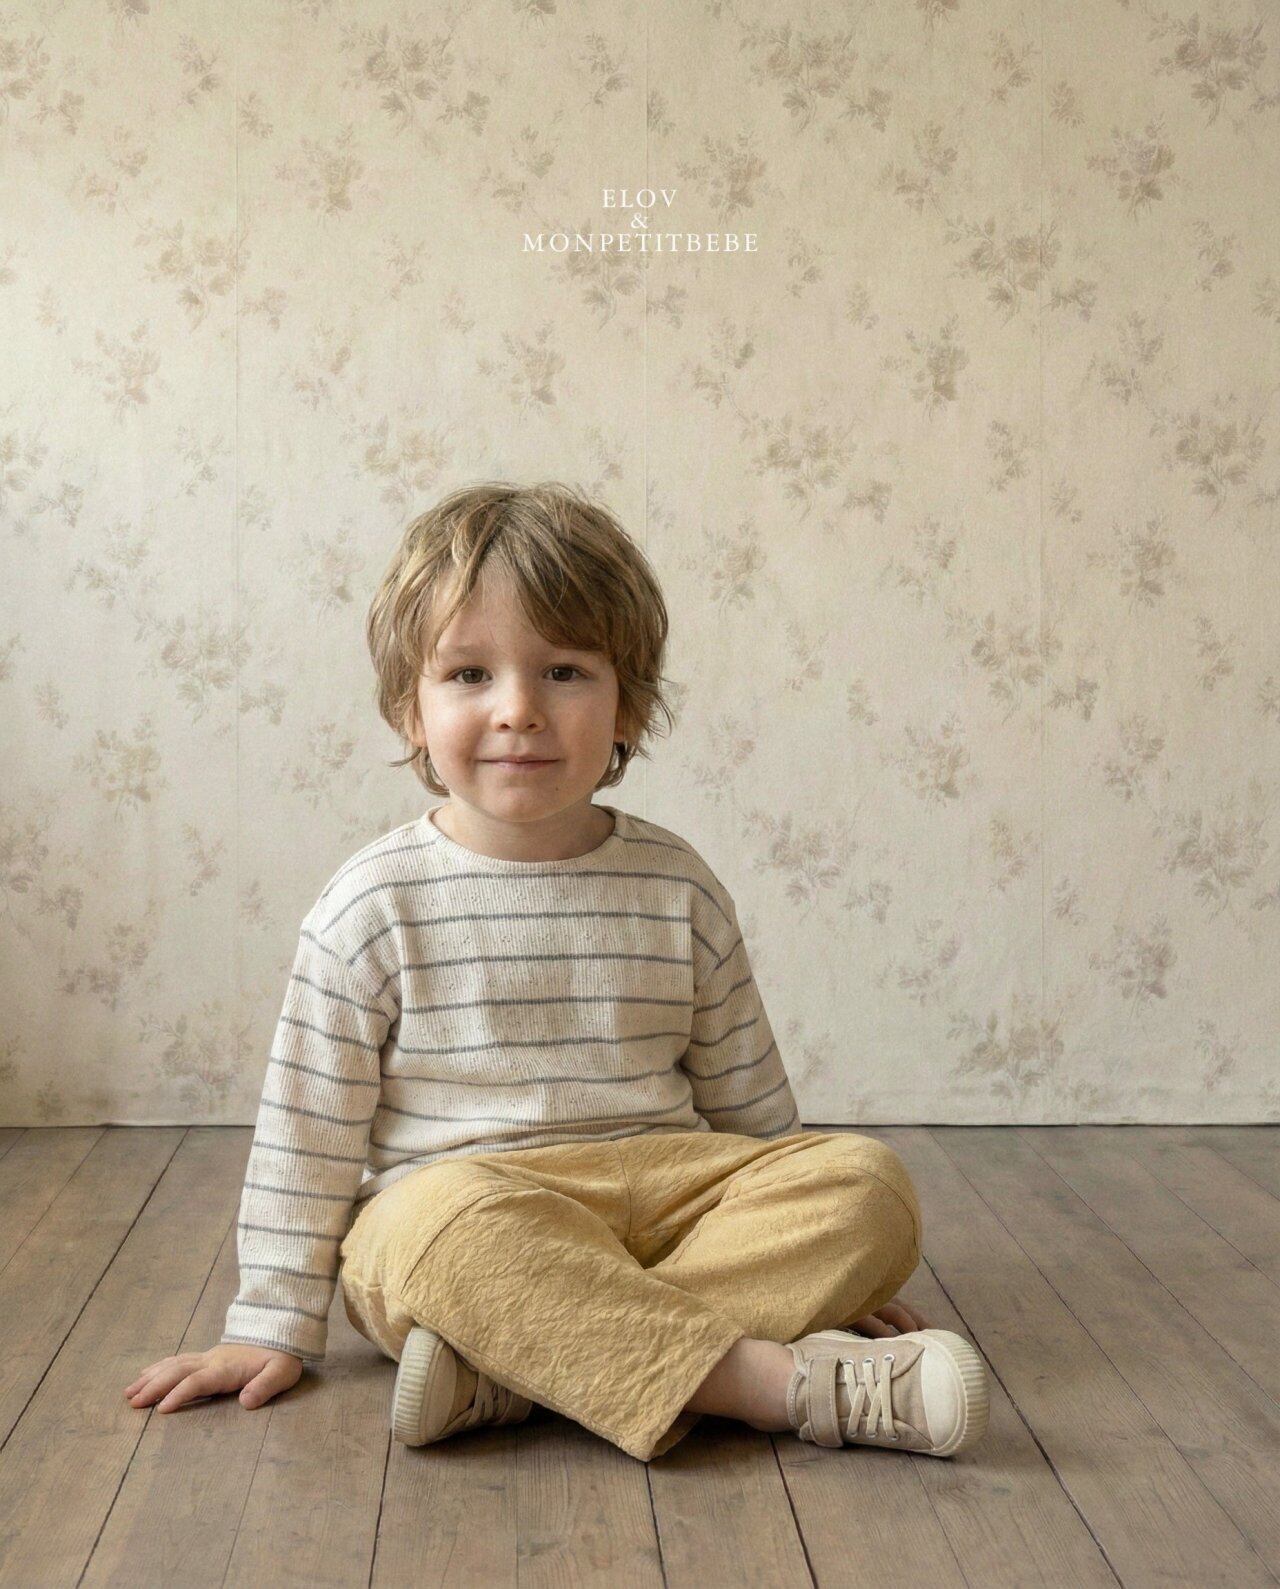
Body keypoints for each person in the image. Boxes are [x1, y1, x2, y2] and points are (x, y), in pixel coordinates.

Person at [123, 481, 989, 1462]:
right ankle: (774, 1382)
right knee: (433, 1234)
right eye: (469, 673)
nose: (519, 711)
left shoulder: (677, 885)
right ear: (409, 710)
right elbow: (306, 1133)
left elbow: (751, 1108)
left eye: (564, 671)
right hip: (469, 1211)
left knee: (867, 1184)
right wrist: (267, 1323)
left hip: (663, 1204)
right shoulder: (371, 905)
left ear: (631, 706)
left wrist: (823, 1260)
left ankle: (509, 1370)